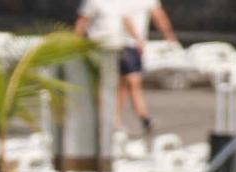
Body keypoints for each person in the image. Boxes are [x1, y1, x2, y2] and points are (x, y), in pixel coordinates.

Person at [74, 0, 177, 137]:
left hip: (118, 47)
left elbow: (126, 19)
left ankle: (116, 119)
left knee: (123, 84)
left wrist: (137, 39)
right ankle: (101, 121)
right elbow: (82, 22)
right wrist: (75, 45)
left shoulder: (118, 3)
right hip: (99, 49)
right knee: (104, 86)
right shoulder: (93, 2)